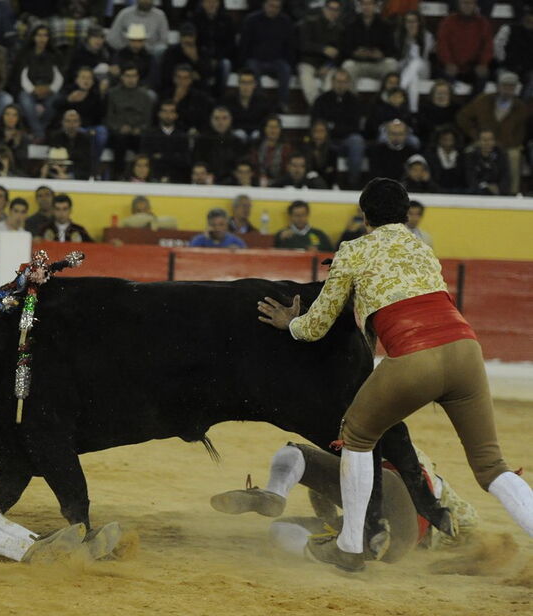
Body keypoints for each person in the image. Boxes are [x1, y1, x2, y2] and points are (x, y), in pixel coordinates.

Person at [256, 178, 533, 572]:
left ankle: (350, 546)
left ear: (364, 216)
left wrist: (291, 324)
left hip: (415, 356)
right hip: (466, 351)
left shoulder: (354, 250)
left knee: (356, 436)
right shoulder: (423, 248)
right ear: (406, 215)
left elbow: (317, 325)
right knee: (491, 466)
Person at [211, 442, 478, 561]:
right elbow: (467, 523)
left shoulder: (376, 440)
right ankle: (321, 553)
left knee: (301, 454)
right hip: (399, 539)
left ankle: (275, 491)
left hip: (383, 497)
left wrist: (327, 518)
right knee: (286, 528)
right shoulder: (439, 487)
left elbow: (323, 489)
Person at [456, 71, 529, 195]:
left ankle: (511, 193)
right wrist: (475, 135)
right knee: (469, 153)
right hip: (482, 140)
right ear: (498, 86)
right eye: (505, 86)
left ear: (516, 88)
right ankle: (471, 189)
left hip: (507, 145)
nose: (508, 89)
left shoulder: (521, 107)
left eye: (512, 86)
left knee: (514, 156)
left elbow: (522, 131)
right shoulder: (483, 100)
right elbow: (463, 117)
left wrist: (512, 142)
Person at [311, 69, 365, 189]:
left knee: (357, 141)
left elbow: (355, 127)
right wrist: (334, 129)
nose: (341, 84)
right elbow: (316, 123)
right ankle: (324, 183)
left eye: (344, 82)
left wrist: (333, 127)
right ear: (332, 82)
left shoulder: (354, 101)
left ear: (348, 83)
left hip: (347, 141)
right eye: (338, 81)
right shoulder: (321, 100)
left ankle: (353, 183)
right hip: (327, 140)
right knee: (320, 138)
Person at [239, 0, 296, 112]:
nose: (273, 9)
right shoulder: (251, 20)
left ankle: (283, 103)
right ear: (264, 5)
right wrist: (241, 65)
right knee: (252, 68)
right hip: (256, 59)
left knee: (286, 68)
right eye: (271, 6)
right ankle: (260, 102)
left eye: (277, 7)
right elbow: (244, 44)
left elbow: (290, 46)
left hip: (276, 60)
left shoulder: (285, 21)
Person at [12, 24, 64, 140]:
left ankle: (37, 132)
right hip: (29, 90)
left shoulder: (55, 55)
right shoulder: (24, 54)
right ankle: (40, 134)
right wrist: (33, 90)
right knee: (24, 99)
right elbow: (22, 75)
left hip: (50, 90)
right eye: (39, 35)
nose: (42, 38)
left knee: (55, 101)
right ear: (33, 37)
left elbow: (59, 76)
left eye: (45, 35)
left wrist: (50, 89)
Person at [105, 65, 153, 180]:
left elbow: (148, 119)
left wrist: (140, 128)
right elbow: (108, 118)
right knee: (120, 139)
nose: (131, 79)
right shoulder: (112, 94)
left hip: (138, 132)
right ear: (122, 77)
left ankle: (144, 177)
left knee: (145, 139)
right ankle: (118, 176)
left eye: (134, 76)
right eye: (128, 76)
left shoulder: (145, 96)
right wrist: (119, 127)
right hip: (119, 133)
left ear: (138, 77)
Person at [436, 0, 493, 95]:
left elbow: (488, 46)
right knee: (445, 77)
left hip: (473, 66)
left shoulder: (483, 23)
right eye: (464, 3)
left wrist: (483, 63)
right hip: (451, 65)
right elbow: (442, 45)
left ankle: (473, 106)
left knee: (483, 75)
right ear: (459, 4)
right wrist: (448, 62)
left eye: (470, 3)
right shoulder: (448, 22)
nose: (467, 6)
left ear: (475, 5)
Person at [297, 0, 345, 108]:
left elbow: (341, 53)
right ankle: (317, 109)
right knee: (307, 81)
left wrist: (328, 66)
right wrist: (322, 49)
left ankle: (325, 109)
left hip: (327, 65)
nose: (333, 12)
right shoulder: (310, 22)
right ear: (324, 9)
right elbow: (303, 45)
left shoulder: (340, 29)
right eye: (331, 9)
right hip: (308, 62)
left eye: (336, 10)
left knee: (331, 84)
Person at [340, 0, 397, 89]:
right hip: (359, 63)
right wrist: (355, 53)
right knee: (347, 66)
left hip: (378, 64)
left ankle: (385, 100)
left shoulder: (385, 25)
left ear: (375, 6)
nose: (366, 7)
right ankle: (350, 101)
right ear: (360, 6)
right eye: (364, 4)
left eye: (369, 4)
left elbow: (392, 48)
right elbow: (345, 48)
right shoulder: (351, 24)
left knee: (392, 65)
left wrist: (381, 54)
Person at [141, 101, 190, 183]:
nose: (168, 115)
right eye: (165, 111)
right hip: (153, 177)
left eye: (171, 111)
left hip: (177, 179)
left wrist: (161, 156)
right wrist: (173, 156)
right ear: (159, 114)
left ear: (176, 115)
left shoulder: (182, 136)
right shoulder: (149, 135)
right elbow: (146, 157)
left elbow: (185, 160)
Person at [193, 106, 244, 185]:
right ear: (211, 120)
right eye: (216, 118)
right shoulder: (202, 140)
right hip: (206, 181)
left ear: (230, 120)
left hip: (232, 183)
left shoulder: (237, 142)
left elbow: (239, 164)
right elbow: (198, 161)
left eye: (224, 118)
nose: (220, 122)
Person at [395, 11, 433, 113]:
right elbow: (400, 59)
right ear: (404, 23)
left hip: (423, 68)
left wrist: (415, 39)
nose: (411, 25)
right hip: (405, 71)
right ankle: (413, 111)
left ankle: (400, 90)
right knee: (413, 81)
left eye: (414, 22)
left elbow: (424, 56)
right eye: (408, 22)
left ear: (419, 23)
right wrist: (408, 41)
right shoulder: (400, 36)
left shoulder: (427, 36)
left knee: (416, 62)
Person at [165, 64, 214, 134]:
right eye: (179, 77)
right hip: (169, 132)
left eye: (185, 78)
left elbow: (200, 119)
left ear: (190, 80)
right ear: (174, 79)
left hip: (190, 133)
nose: (181, 81)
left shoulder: (200, 98)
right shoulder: (165, 95)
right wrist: (176, 100)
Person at [225, 71, 271, 145]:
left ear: (254, 84)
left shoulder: (263, 100)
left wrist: (259, 132)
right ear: (238, 84)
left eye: (249, 83)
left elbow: (267, 120)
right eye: (243, 82)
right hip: (234, 139)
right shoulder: (229, 100)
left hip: (257, 138)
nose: (246, 86)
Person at [48, 110, 93, 180]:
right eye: (68, 121)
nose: (71, 124)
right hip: (57, 173)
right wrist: (59, 171)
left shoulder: (85, 139)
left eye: (75, 121)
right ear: (62, 122)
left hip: (77, 175)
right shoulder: (56, 137)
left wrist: (69, 176)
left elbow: (86, 163)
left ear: (79, 123)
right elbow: (52, 158)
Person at [464, 129, 510, 195]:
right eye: (485, 140)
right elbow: (470, 178)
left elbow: (505, 177)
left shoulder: (501, 155)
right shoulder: (471, 156)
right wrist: (485, 187)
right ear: (479, 142)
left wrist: (499, 188)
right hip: (477, 192)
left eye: (491, 140)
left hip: (497, 193)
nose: (488, 143)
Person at [250, 115, 293, 185]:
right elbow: (253, 165)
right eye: (270, 127)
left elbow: (287, 170)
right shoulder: (256, 146)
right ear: (265, 129)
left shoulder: (287, 148)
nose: (273, 130)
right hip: (258, 182)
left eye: (276, 127)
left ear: (280, 129)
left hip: (280, 183)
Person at [0, 104, 30, 175]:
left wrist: (16, 145)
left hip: (16, 173)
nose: (10, 118)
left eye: (14, 115)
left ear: (18, 118)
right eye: (7, 114)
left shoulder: (23, 137)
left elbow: (23, 162)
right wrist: (5, 140)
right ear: (3, 116)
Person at [425, 125, 467, 193]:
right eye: (445, 139)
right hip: (436, 190)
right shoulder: (431, 155)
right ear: (439, 139)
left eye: (450, 139)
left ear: (455, 140)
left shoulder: (462, 156)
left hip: (459, 191)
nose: (447, 142)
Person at [300, 119, 338, 188]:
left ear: (326, 133)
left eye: (321, 131)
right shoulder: (304, 149)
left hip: (327, 186)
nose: (318, 134)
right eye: (316, 131)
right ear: (311, 133)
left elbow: (332, 173)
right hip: (308, 184)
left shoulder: (332, 151)